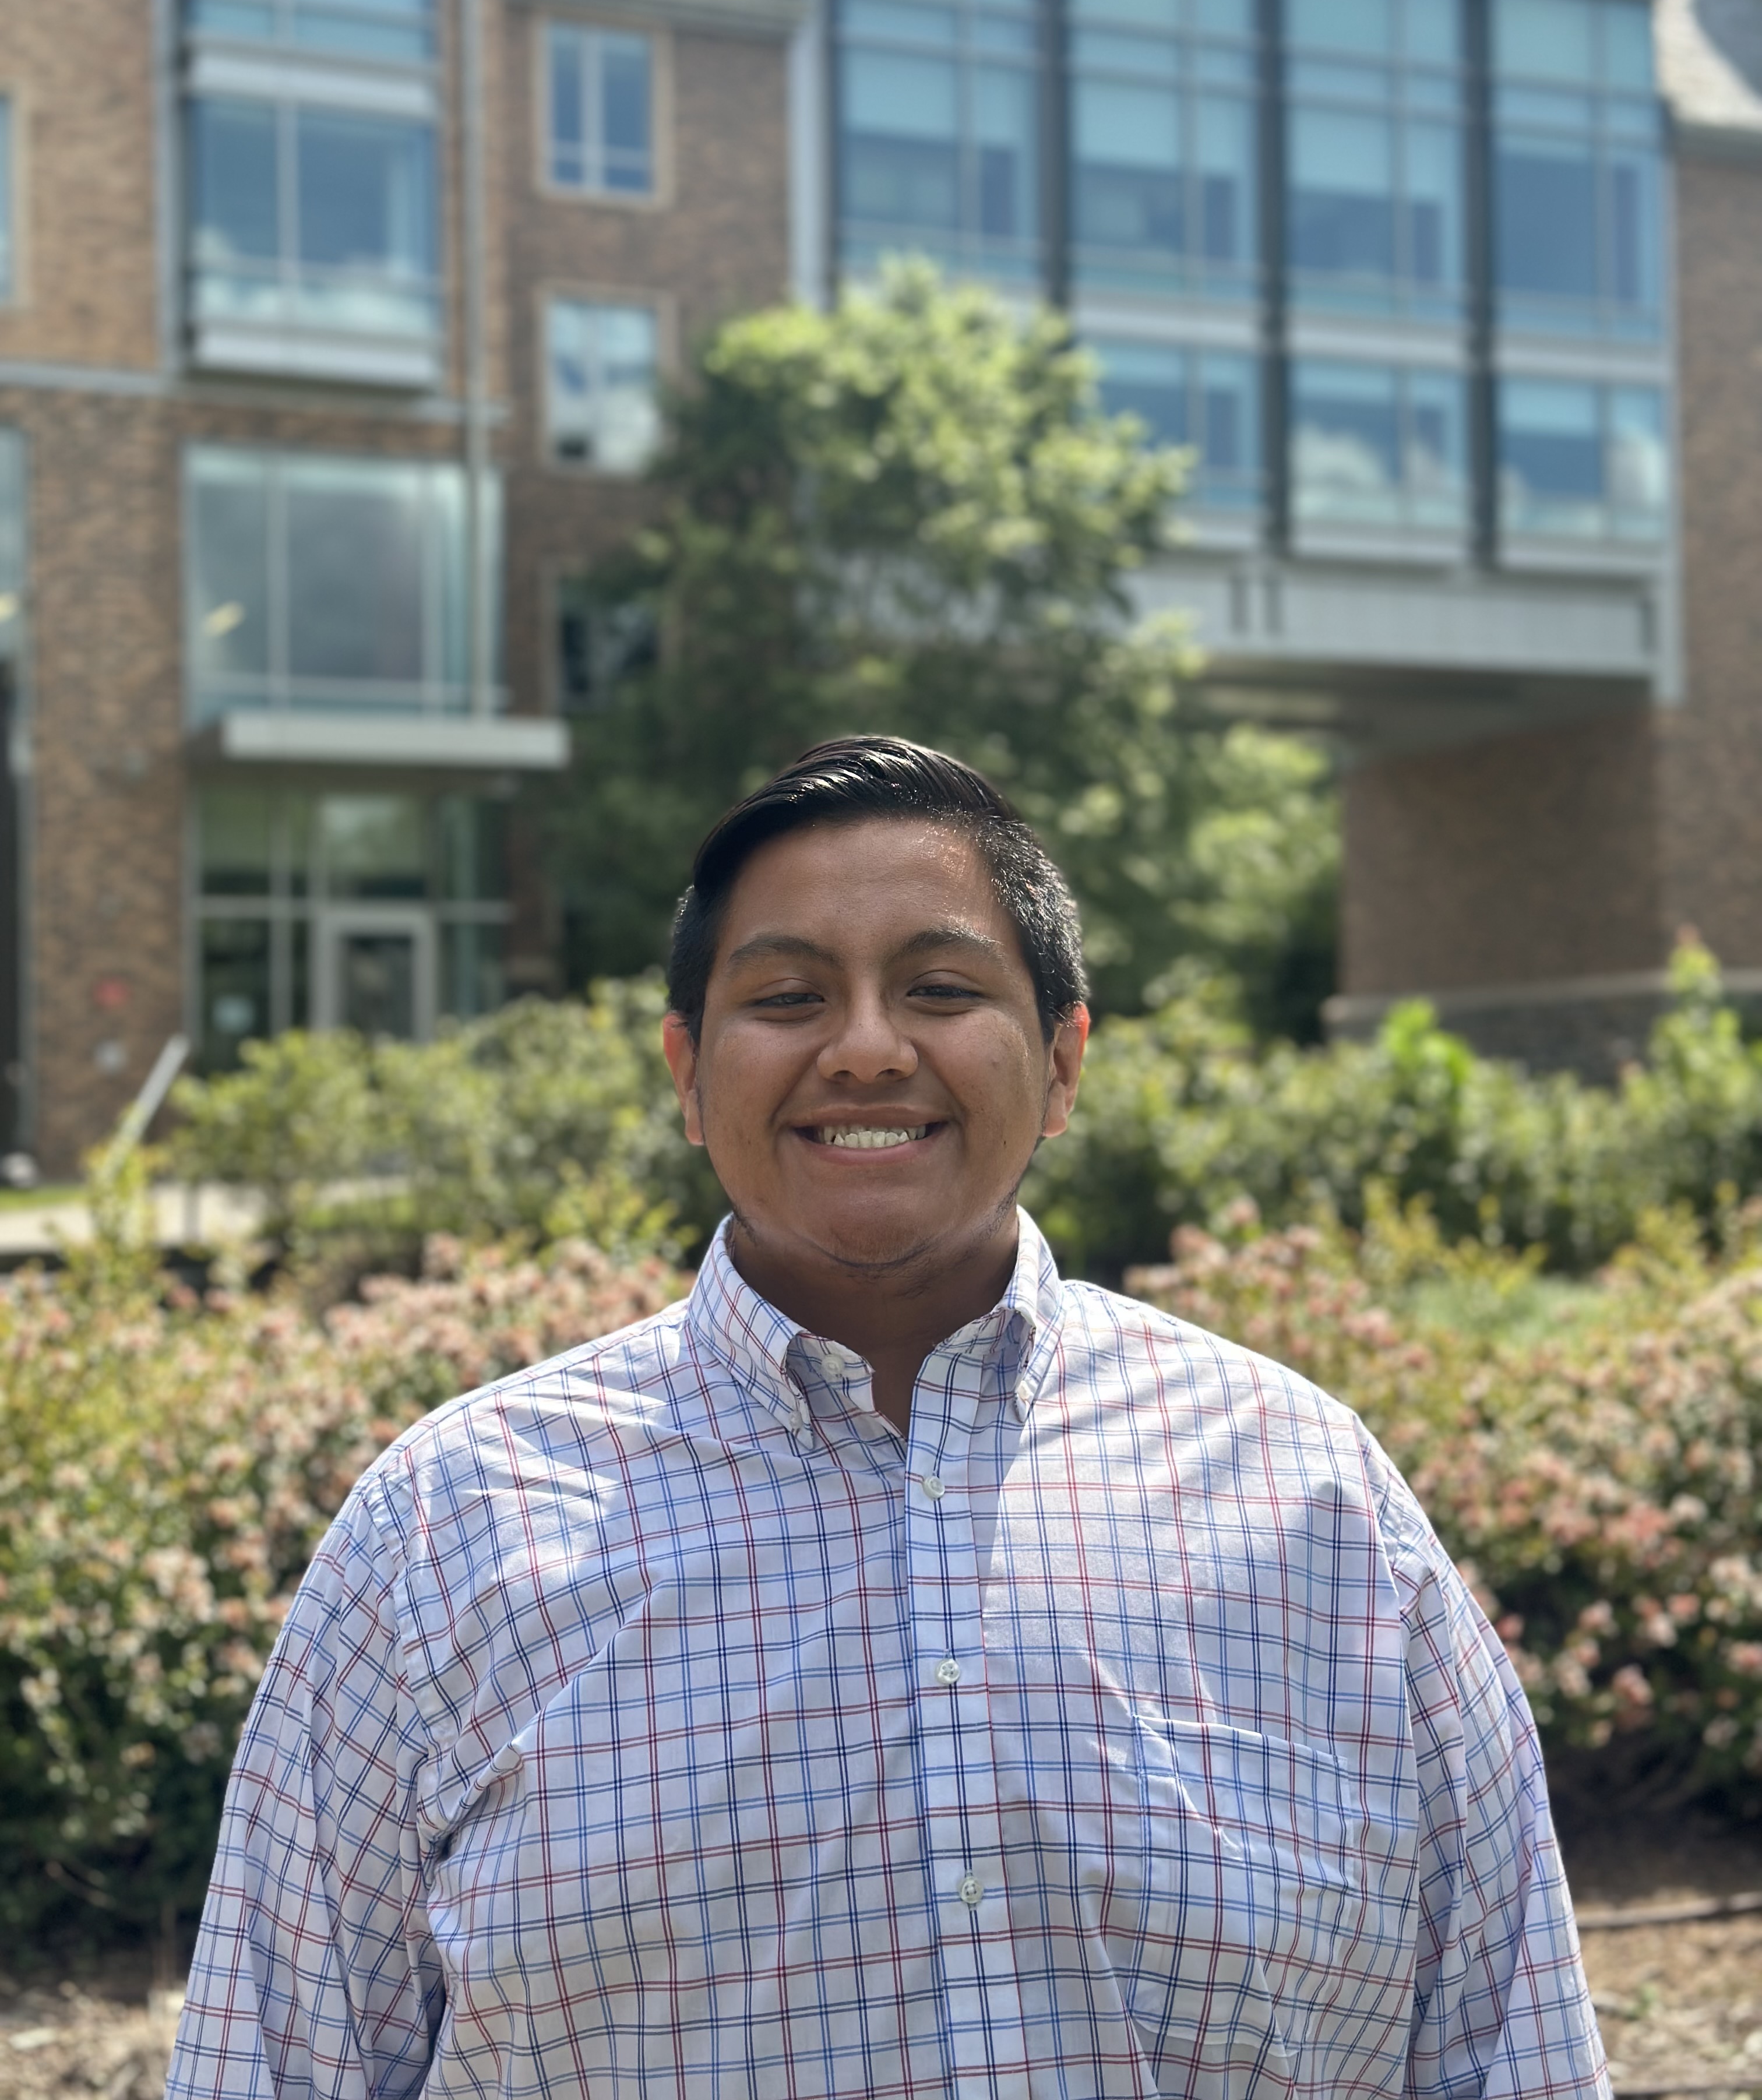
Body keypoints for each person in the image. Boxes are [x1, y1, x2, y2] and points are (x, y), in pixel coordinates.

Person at [167, 735, 1609, 2100]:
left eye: (940, 990)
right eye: (788, 998)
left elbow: (1511, 2046)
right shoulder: (446, 1531)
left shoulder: (1314, 1500)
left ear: (1064, 1064)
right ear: (687, 1072)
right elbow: (273, 2056)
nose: (864, 1049)